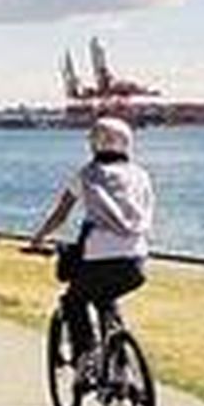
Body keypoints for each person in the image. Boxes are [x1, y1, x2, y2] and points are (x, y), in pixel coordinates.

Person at [27, 117, 154, 381]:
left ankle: (85, 355)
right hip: (136, 261)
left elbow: (60, 214)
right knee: (107, 298)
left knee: (73, 301)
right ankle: (122, 368)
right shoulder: (141, 175)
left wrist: (38, 239)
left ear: (95, 144)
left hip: (99, 260)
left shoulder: (87, 175)